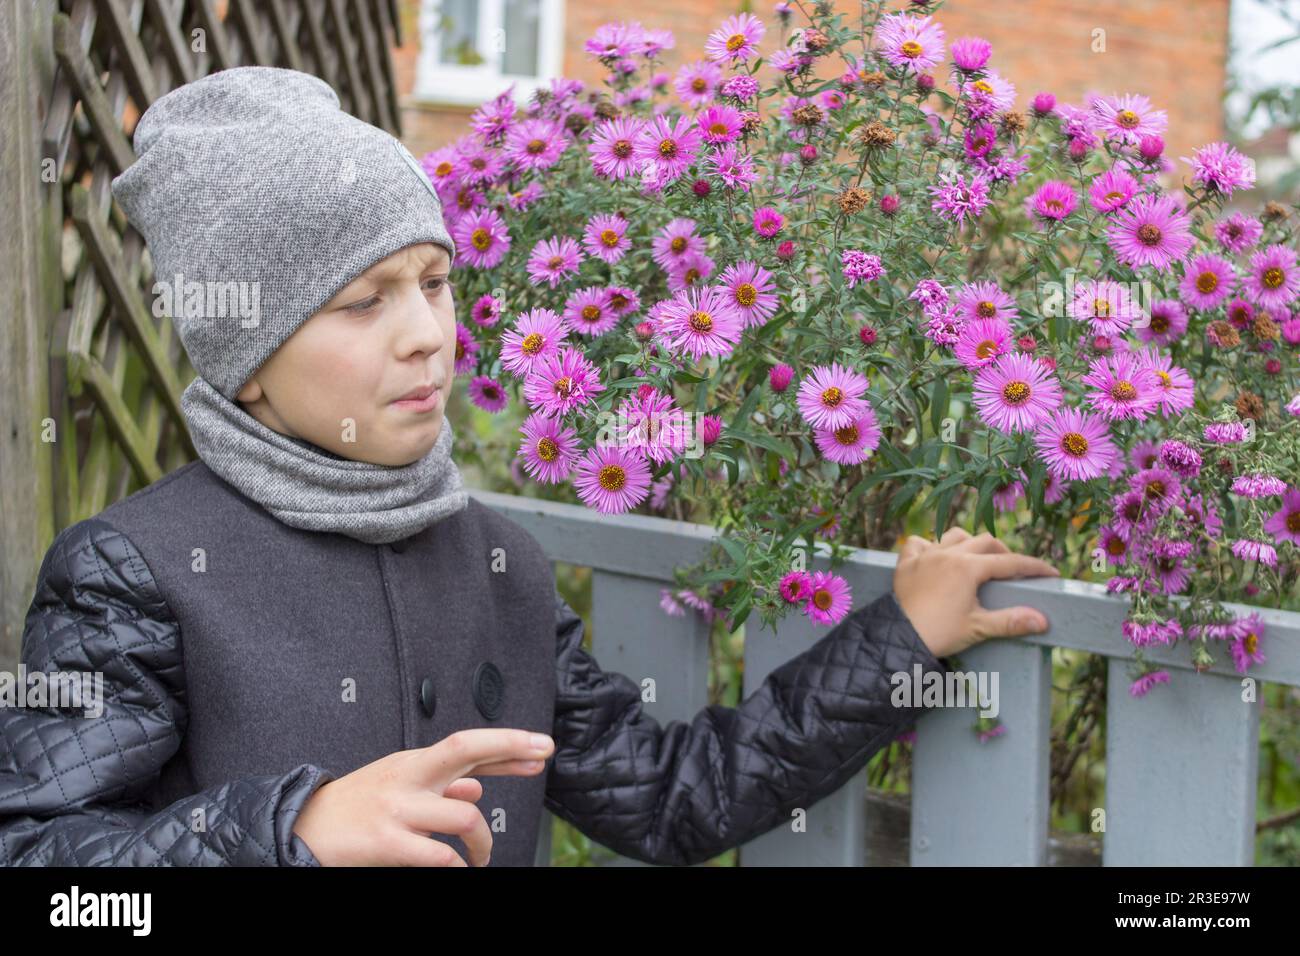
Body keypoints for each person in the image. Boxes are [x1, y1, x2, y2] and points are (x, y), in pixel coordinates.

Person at [0, 66, 1058, 867]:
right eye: (362, 300)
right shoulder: (133, 571)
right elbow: (46, 860)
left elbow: (665, 792)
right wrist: (290, 827)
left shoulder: (495, 560)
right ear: (248, 361)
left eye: (434, 279)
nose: (426, 335)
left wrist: (899, 638)